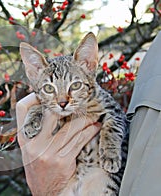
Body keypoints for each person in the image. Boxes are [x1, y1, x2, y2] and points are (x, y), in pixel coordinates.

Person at [16, 31, 161, 195]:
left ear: (90, 65)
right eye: (50, 89)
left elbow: (114, 115)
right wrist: (36, 113)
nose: (63, 100)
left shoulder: (98, 101)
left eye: (74, 86)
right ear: (33, 73)